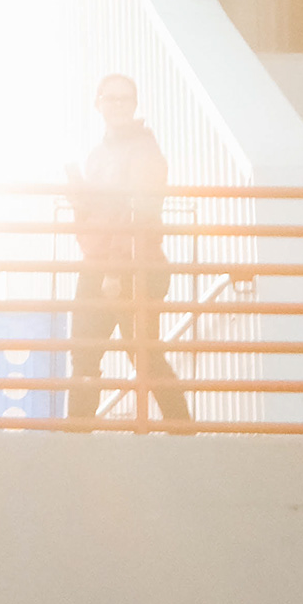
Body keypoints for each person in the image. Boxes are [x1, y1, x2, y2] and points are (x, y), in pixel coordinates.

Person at [67, 76, 192, 431]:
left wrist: (112, 270)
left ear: (135, 105)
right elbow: (98, 217)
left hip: (133, 263)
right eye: (111, 98)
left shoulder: (144, 151)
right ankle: (76, 437)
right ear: (98, 104)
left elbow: (139, 214)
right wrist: (80, 199)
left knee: (140, 352)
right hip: (102, 263)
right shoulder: (97, 155)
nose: (119, 105)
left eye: (126, 99)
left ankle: (182, 432)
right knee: (89, 352)